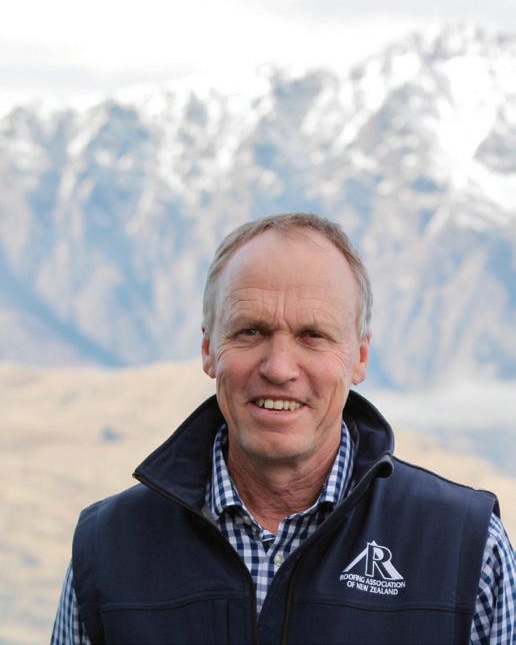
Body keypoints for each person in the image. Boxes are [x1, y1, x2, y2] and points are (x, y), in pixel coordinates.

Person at [52, 212, 515, 645]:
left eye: (312, 335)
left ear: (359, 357)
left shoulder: (467, 549)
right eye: (250, 331)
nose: (278, 367)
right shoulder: (108, 548)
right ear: (209, 349)